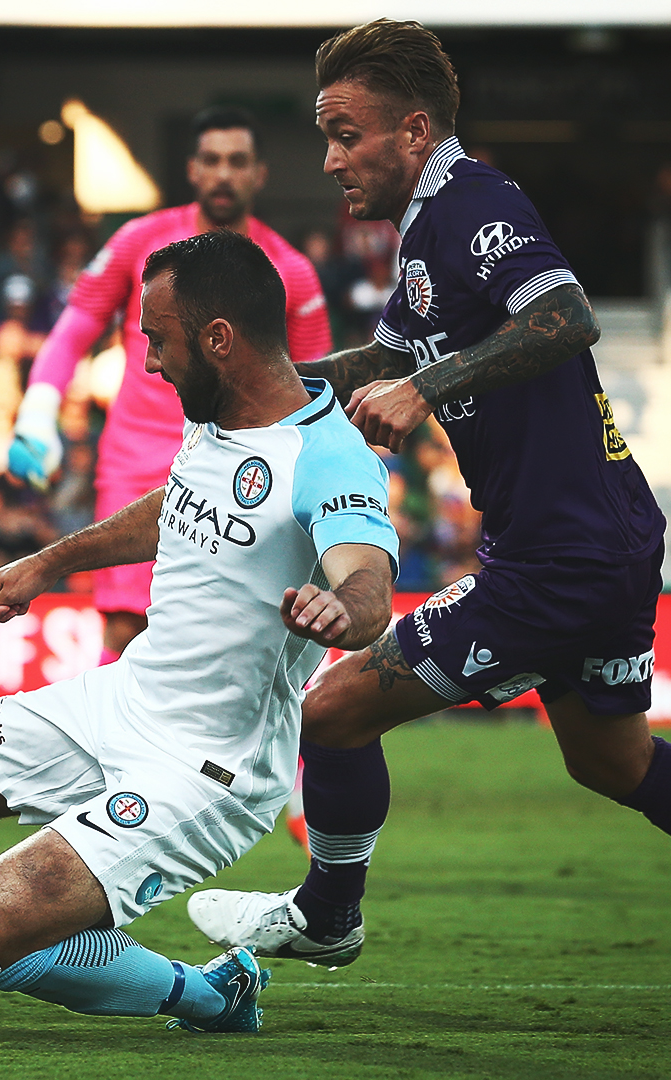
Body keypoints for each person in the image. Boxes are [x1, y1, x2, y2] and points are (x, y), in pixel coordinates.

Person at [0, 231, 398, 1033]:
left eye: (158, 341)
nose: (151, 363)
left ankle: (213, 994)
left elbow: (369, 583)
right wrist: (52, 563)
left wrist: (345, 608)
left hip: (209, 767)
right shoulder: (219, 415)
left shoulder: (330, 459)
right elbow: (174, 506)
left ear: (219, 339)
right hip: (128, 697)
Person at [187, 19, 668, 971]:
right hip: (599, 538)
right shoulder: (426, 232)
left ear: (414, 131)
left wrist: (424, 391)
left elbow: (565, 316)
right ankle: (327, 915)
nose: (329, 159)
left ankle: (327, 917)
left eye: (345, 133)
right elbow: (392, 356)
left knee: (331, 711)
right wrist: (266, 388)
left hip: (561, 557)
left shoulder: (471, 199)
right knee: (610, 760)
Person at [10, 106, 332, 662]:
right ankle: (116, 752)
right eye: (211, 160)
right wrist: (38, 412)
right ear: (192, 169)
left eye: (237, 161)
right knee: (125, 631)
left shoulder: (291, 271)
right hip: (137, 459)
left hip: (244, 470)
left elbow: (318, 389)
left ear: (260, 174)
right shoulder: (140, 242)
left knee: (248, 639)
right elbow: (72, 333)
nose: (223, 174)